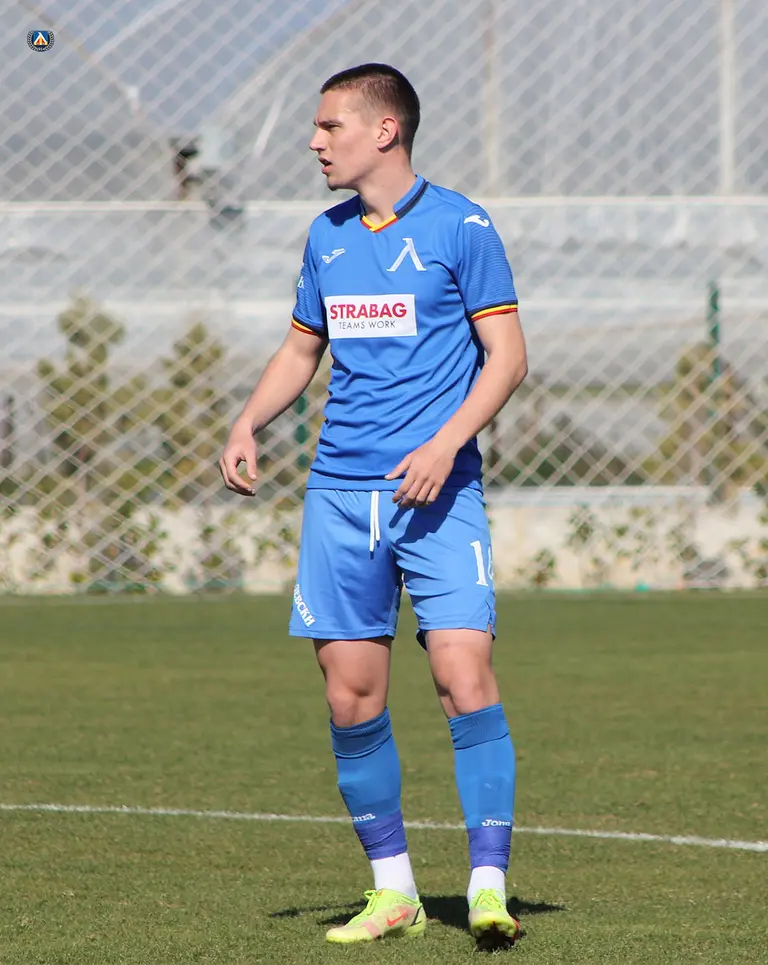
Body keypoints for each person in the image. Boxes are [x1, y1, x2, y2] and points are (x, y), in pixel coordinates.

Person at [219, 63, 528, 949]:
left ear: (384, 130)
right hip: (339, 496)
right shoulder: (326, 236)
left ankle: (487, 888)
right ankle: (394, 892)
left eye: (330, 126)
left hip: (439, 493)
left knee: (464, 675)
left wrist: (444, 444)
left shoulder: (462, 225)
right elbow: (300, 348)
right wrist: (246, 420)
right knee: (351, 696)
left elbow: (507, 357)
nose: (315, 142)